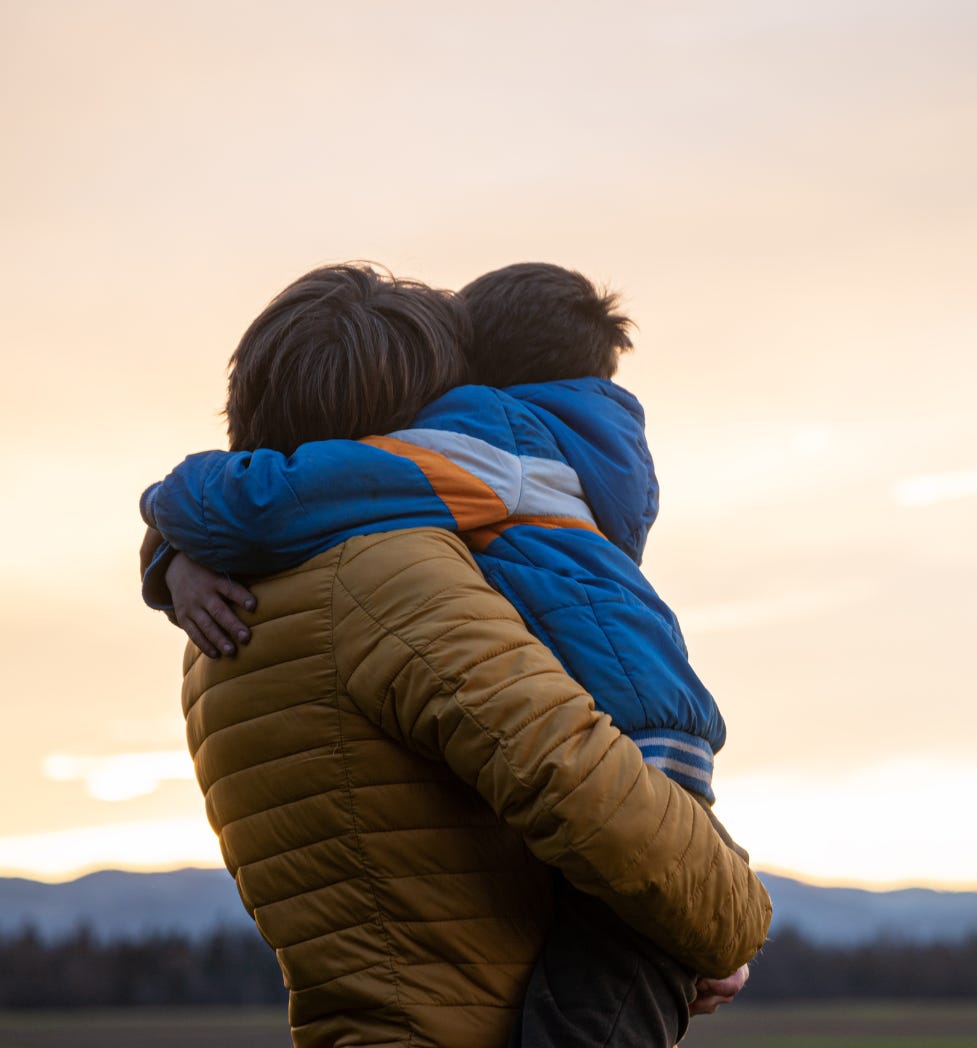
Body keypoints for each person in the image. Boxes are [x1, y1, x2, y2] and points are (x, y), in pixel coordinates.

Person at [139, 263, 771, 1048]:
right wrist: (723, 920)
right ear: (398, 424)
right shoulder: (387, 576)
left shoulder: (220, 621)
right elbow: (576, 779)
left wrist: (168, 547)